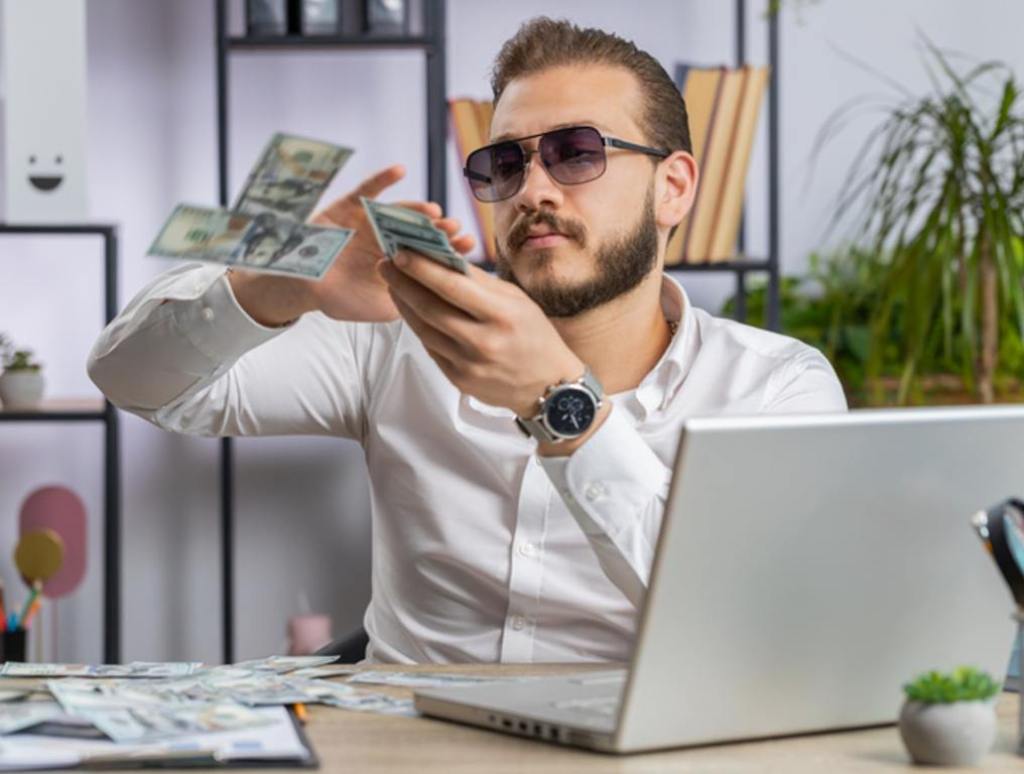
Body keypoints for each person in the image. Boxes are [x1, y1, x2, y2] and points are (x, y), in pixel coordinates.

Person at [89, 18, 847, 664]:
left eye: (577, 152)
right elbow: (133, 378)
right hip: (407, 749)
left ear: (674, 187)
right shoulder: (396, 339)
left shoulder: (775, 386)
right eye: (505, 163)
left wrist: (557, 402)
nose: (534, 190)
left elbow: (759, 622)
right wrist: (280, 281)